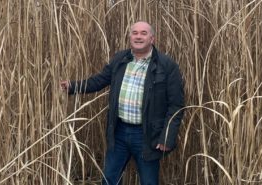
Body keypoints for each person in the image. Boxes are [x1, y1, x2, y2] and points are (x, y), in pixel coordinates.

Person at [60, 21, 184, 185]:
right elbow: (99, 81)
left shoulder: (167, 66)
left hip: (147, 135)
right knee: (109, 179)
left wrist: (167, 136)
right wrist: (72, 86)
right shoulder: (120, 59)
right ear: (130, 37)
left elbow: (176, 105)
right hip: (119, 131)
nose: (138, 36)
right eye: (134, 33)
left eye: (143, 33)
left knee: (148, 181)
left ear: (152, 39)